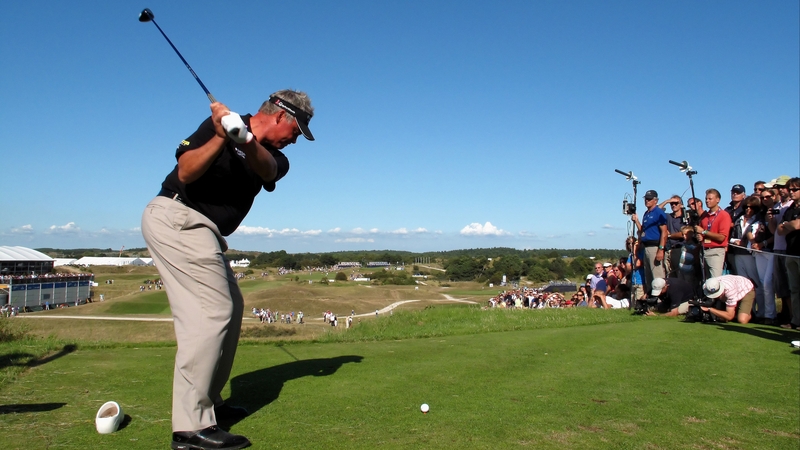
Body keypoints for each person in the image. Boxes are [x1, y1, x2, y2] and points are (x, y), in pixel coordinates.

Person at [141, 90, 315, 450]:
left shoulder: (276, 157)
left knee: (231, 310)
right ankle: (190, 427)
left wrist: (245, 139)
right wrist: (221, 136)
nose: (295, 140)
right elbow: (186, 173)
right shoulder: (217, 125)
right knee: (211, 312)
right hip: (177, 217)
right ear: (281, 115)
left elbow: (267, 169)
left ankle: (212, 406)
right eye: (296, 132)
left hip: (206, 231)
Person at [632, 190, 668, 294]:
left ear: (655, 200)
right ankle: (651, 300)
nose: (647, 201)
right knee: (649, 276)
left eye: (649, 199)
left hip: (654, 246)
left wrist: (661, 249)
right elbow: (643, 230)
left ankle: (661, 300)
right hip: (646, 246)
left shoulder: (658, 213)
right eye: (646, 199)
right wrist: (637, 221)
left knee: (657, 276)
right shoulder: (646, 214)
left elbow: (664, 232)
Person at [776, 177, 800, 330]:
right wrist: (787, 225)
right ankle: (796, 320)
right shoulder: (790, 209)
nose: (791, 192)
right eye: (789, 189)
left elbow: (797, 225)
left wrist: (787, 225)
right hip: (790, 252)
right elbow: (780, 230)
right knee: (794, 289)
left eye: (795, 189)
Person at [694, 189, 731, 279]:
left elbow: (722, 237)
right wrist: (700, 236)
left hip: (716, 251)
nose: (707, 201)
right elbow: (702, 233)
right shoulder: (705, 216)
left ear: (717, 200)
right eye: (706, 199)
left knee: (715, 281)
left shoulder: (723, 215)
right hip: (704, 250)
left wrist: (703, 232)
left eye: (710, 199)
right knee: (706, 280)